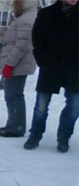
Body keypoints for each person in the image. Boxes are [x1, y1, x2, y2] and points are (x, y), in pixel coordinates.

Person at [24, 0, 79, 152]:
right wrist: (42, 60)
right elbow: (37, 37)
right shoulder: (47, 13)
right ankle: (34, 136)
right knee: (41, 106)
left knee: (75, 106)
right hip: (51, 67)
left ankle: (64, 137)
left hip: (75, 69)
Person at [0, 0, 38, 138]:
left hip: (18, 64)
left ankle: (16, 128)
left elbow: (22, 45)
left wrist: (10, 64)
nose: (14, 6)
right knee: (13, 95)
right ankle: (13, 124)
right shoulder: (26, 17)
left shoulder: (27, 19)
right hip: (18, 64)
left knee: (13, 96)